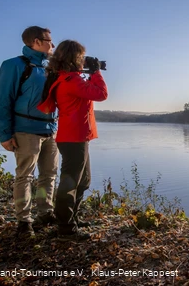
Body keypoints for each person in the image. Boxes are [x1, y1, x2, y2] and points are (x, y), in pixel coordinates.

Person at [38, 40, 108, 241]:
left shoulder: (66, 77)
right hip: (73, 138)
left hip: (75, 137)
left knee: (83, 181)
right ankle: (66, 228)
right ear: (73, 58)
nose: (83, 60)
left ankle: (71, 219)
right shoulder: (71, 80)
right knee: (70, 183)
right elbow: (101, 94)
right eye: (81, 57)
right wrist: (96, 72)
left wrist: (89, 72)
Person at [0, 26, 58, 238]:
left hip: (50, 130)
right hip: (25, 131)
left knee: (49, 175)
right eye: (49, 40)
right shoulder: (14, 65)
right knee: (25, 176)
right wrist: (4, 134)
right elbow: (3, 102)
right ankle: (24, 221)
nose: (53, 44)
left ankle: (46, 213)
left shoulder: (51, 67)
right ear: (36, 42)